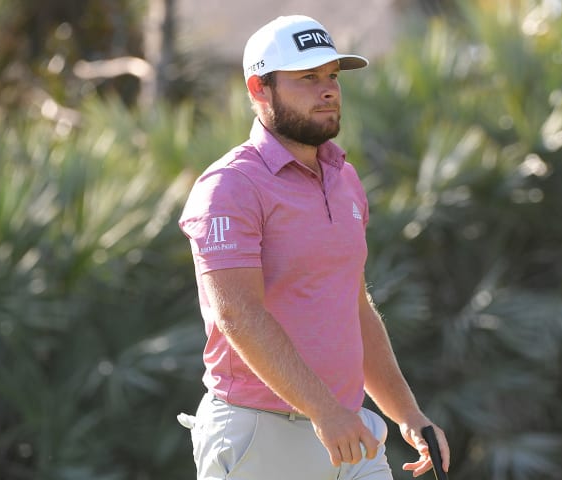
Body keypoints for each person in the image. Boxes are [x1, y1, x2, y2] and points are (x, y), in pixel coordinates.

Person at [177, 14, 449, 480]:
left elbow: (354, 306)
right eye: (307, 78)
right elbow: (239, 315)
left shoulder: (344, 178)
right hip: (259, 436)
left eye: (332, 76)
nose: (328, 90)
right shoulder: (229, 186)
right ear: (260, 88)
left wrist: (406, 413)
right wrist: (325, 412)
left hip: (350, 431)